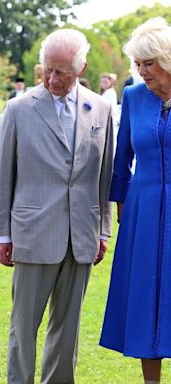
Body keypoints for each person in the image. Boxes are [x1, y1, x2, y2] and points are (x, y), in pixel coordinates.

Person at [0, 28, 114, 384]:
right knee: (23, 328)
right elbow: (3, 176)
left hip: (83, 237)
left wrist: (103, 230)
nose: (51, 78)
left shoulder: (101, 108)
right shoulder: (17, 109)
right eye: (46, 69)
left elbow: (103, 176)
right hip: (31, 235)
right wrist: (3, 234)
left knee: (68, 328)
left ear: (82, 68)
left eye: (61, 71)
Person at [100, 17, 171, 384]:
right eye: (138, 65)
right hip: (142, 214)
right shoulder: (132, 97)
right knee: (145, 297)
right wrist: (123, 212)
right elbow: (121, 161)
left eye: (149, 64)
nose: (142, 72)